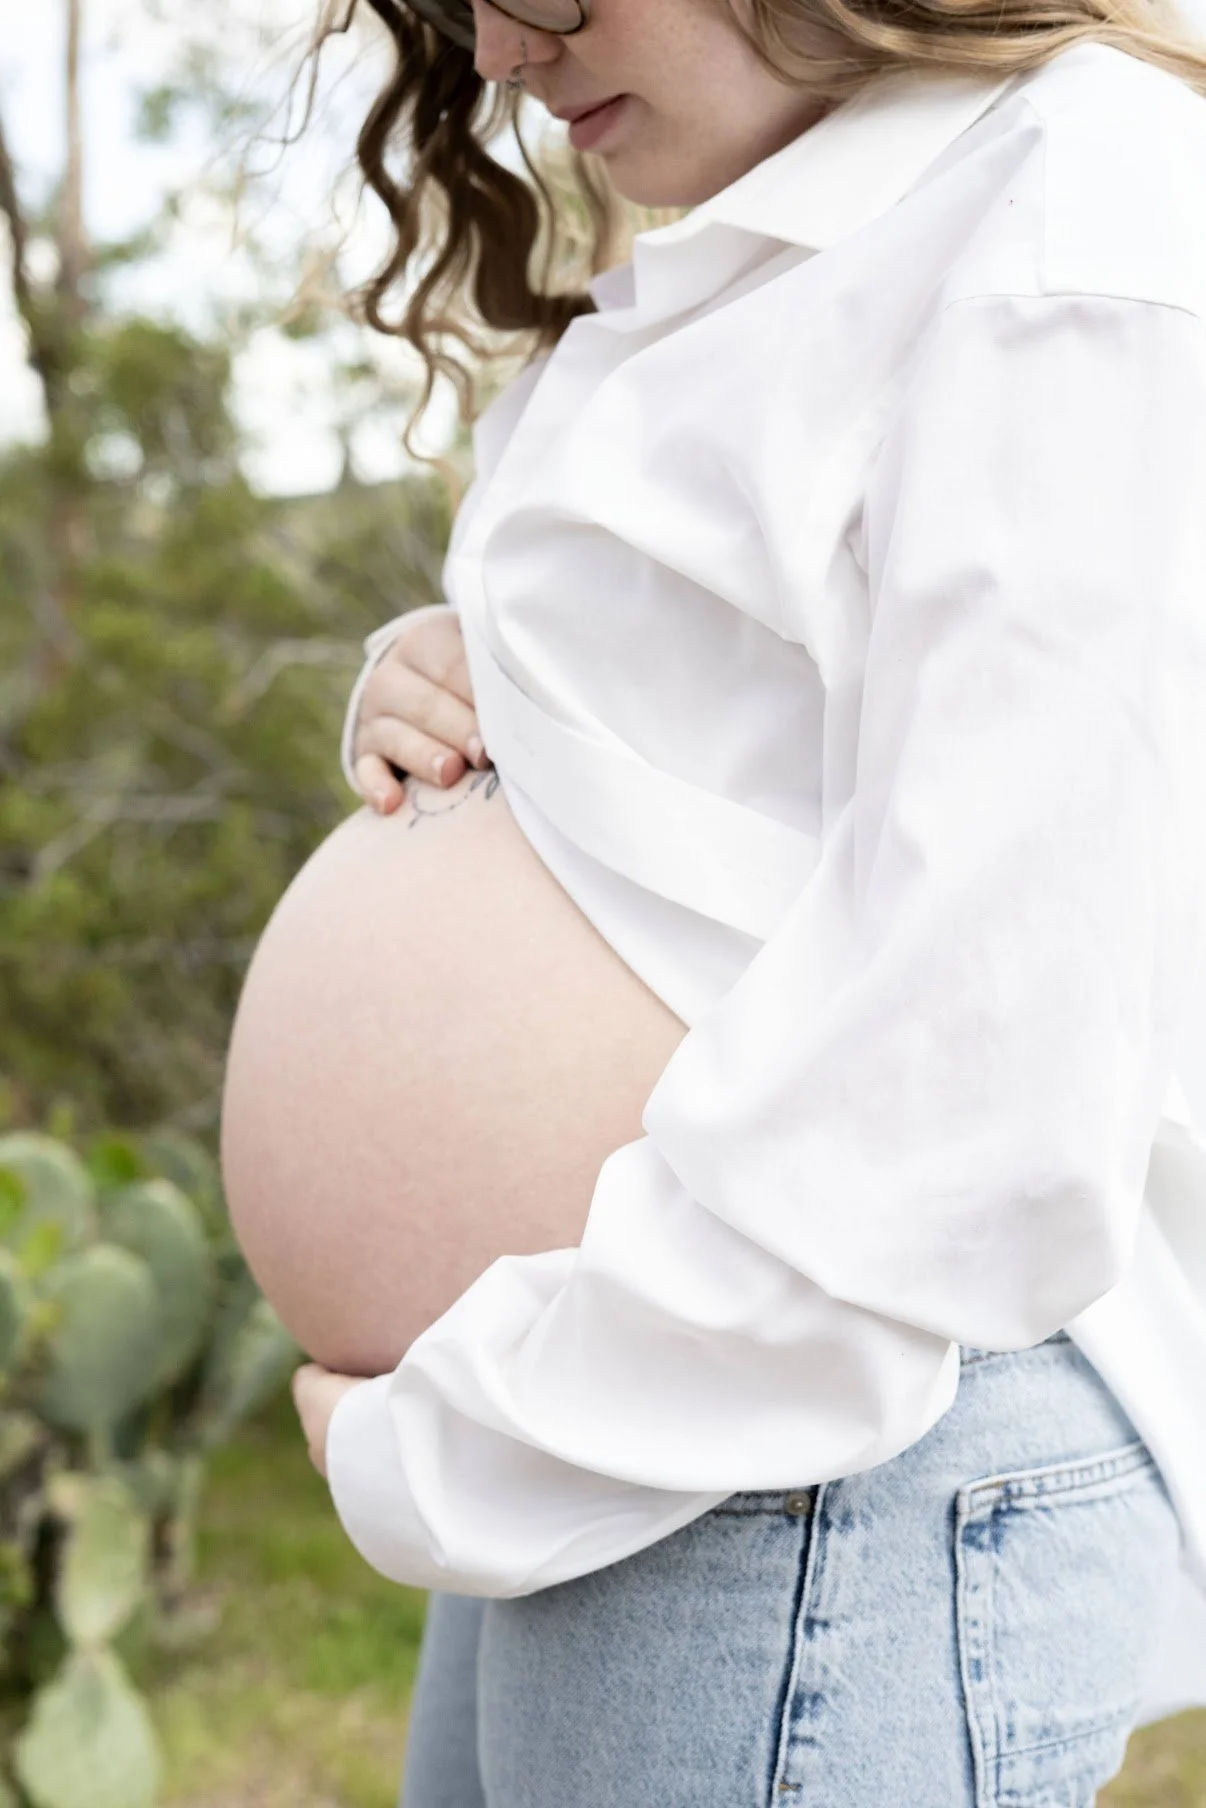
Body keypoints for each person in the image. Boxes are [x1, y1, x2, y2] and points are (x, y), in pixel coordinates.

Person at [288, 0, 1206, 1800]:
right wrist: (443, 677)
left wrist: (450, 1453)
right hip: (649, 1412)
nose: (493, 50)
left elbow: (982, 1072)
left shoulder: (1074, 220)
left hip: (803, 1442)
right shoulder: (789, 235)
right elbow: (745, 764)